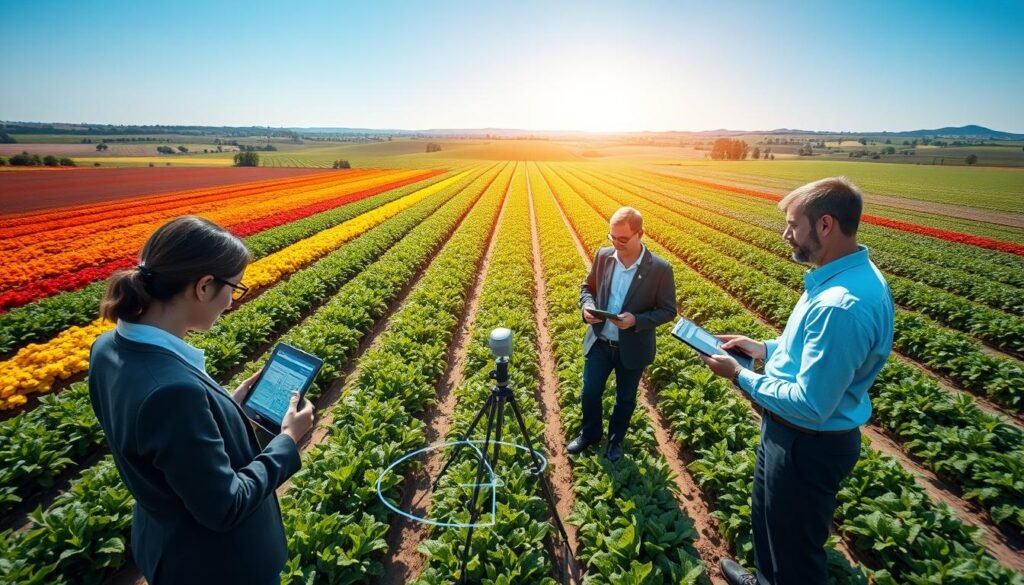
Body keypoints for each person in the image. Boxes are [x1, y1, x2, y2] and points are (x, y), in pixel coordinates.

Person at [88, 216, 315, 585]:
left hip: (164, 542)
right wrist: (288, 441)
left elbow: (161, 444)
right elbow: (224, 506)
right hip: (216, 565)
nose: (231, 302)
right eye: (234, 289)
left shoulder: (108, 347)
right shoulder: (172, 392)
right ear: (205, 286)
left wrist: (226, 405)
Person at [700, 178, 895, 585]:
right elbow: (809, 353)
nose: (786, 234)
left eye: (792, 224)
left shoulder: (842, 304)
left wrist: (739, 374)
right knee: (770, 522)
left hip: (807, 442)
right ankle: (765, 578)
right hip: (793, 434)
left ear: (825, 225)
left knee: (796, 554)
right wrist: (764, 349)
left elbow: (809, 403)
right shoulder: (842, 277)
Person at [570, 206, 676, 462]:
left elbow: (668, 310)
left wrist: (636, 320)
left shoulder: (660, 268)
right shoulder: (604, 256)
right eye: (612, 238)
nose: (616, 244)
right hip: (601, 342)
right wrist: (587, 307)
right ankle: (590, 434)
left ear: (640, 234)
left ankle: (615, 442)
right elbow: (587, 288)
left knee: (625, 399)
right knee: (590, 392)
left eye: (623, 239)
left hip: (632, 347)